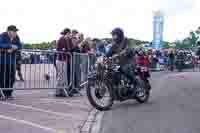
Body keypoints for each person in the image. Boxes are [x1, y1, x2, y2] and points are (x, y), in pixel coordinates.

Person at [0, 25, 22, 99]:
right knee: (3, 77)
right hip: (2, 60)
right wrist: (10, 46)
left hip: (12, 61)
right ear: (9, 31)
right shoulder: (3, 35)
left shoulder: (16, 37)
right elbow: (1, 44)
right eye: (14, 31)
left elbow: (20, 45)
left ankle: (9, 93)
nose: (15, 32)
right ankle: (2, 94)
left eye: (16, 31)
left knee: (11, 78)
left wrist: (14, 48)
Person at [55, 28, 73, 97]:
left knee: (63, 76)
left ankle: (61, 91)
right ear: (67, 33)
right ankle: (58, 91)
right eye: (69, 33)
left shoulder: (67, 39)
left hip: (63, 60)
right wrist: (66, 51)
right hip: (60, 60)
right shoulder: (62, 39)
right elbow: (64, 49)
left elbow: (70, 48)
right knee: (61, 76)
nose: (70, 35)